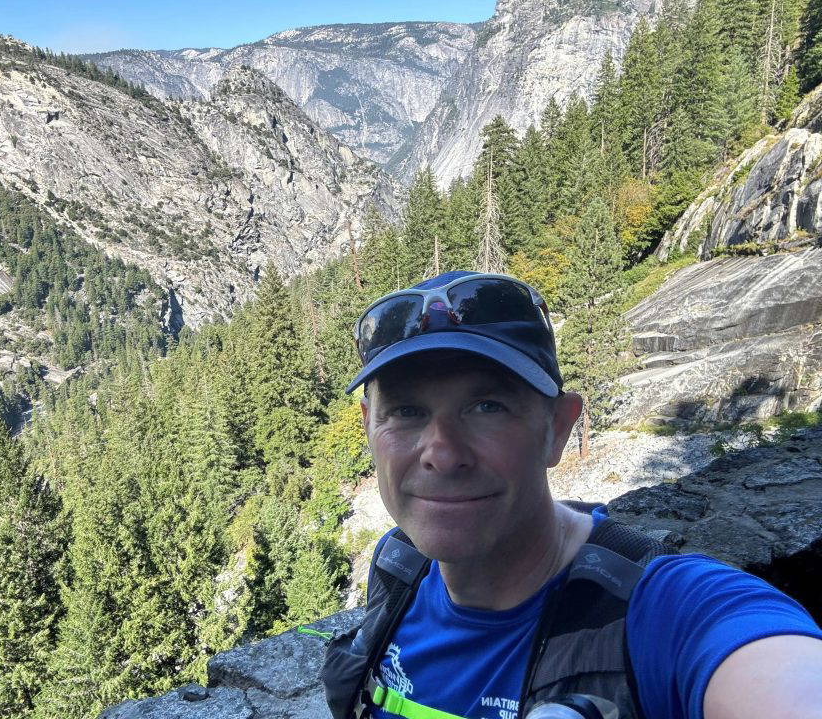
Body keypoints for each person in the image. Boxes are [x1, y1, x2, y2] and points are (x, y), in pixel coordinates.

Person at [320, 270, 822, 719]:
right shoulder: (397, 565)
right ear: (369, 428)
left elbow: (776, 672)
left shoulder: (662, 613)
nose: (442, 454)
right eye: (406, 411)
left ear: (558, 428)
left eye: (487, 406)